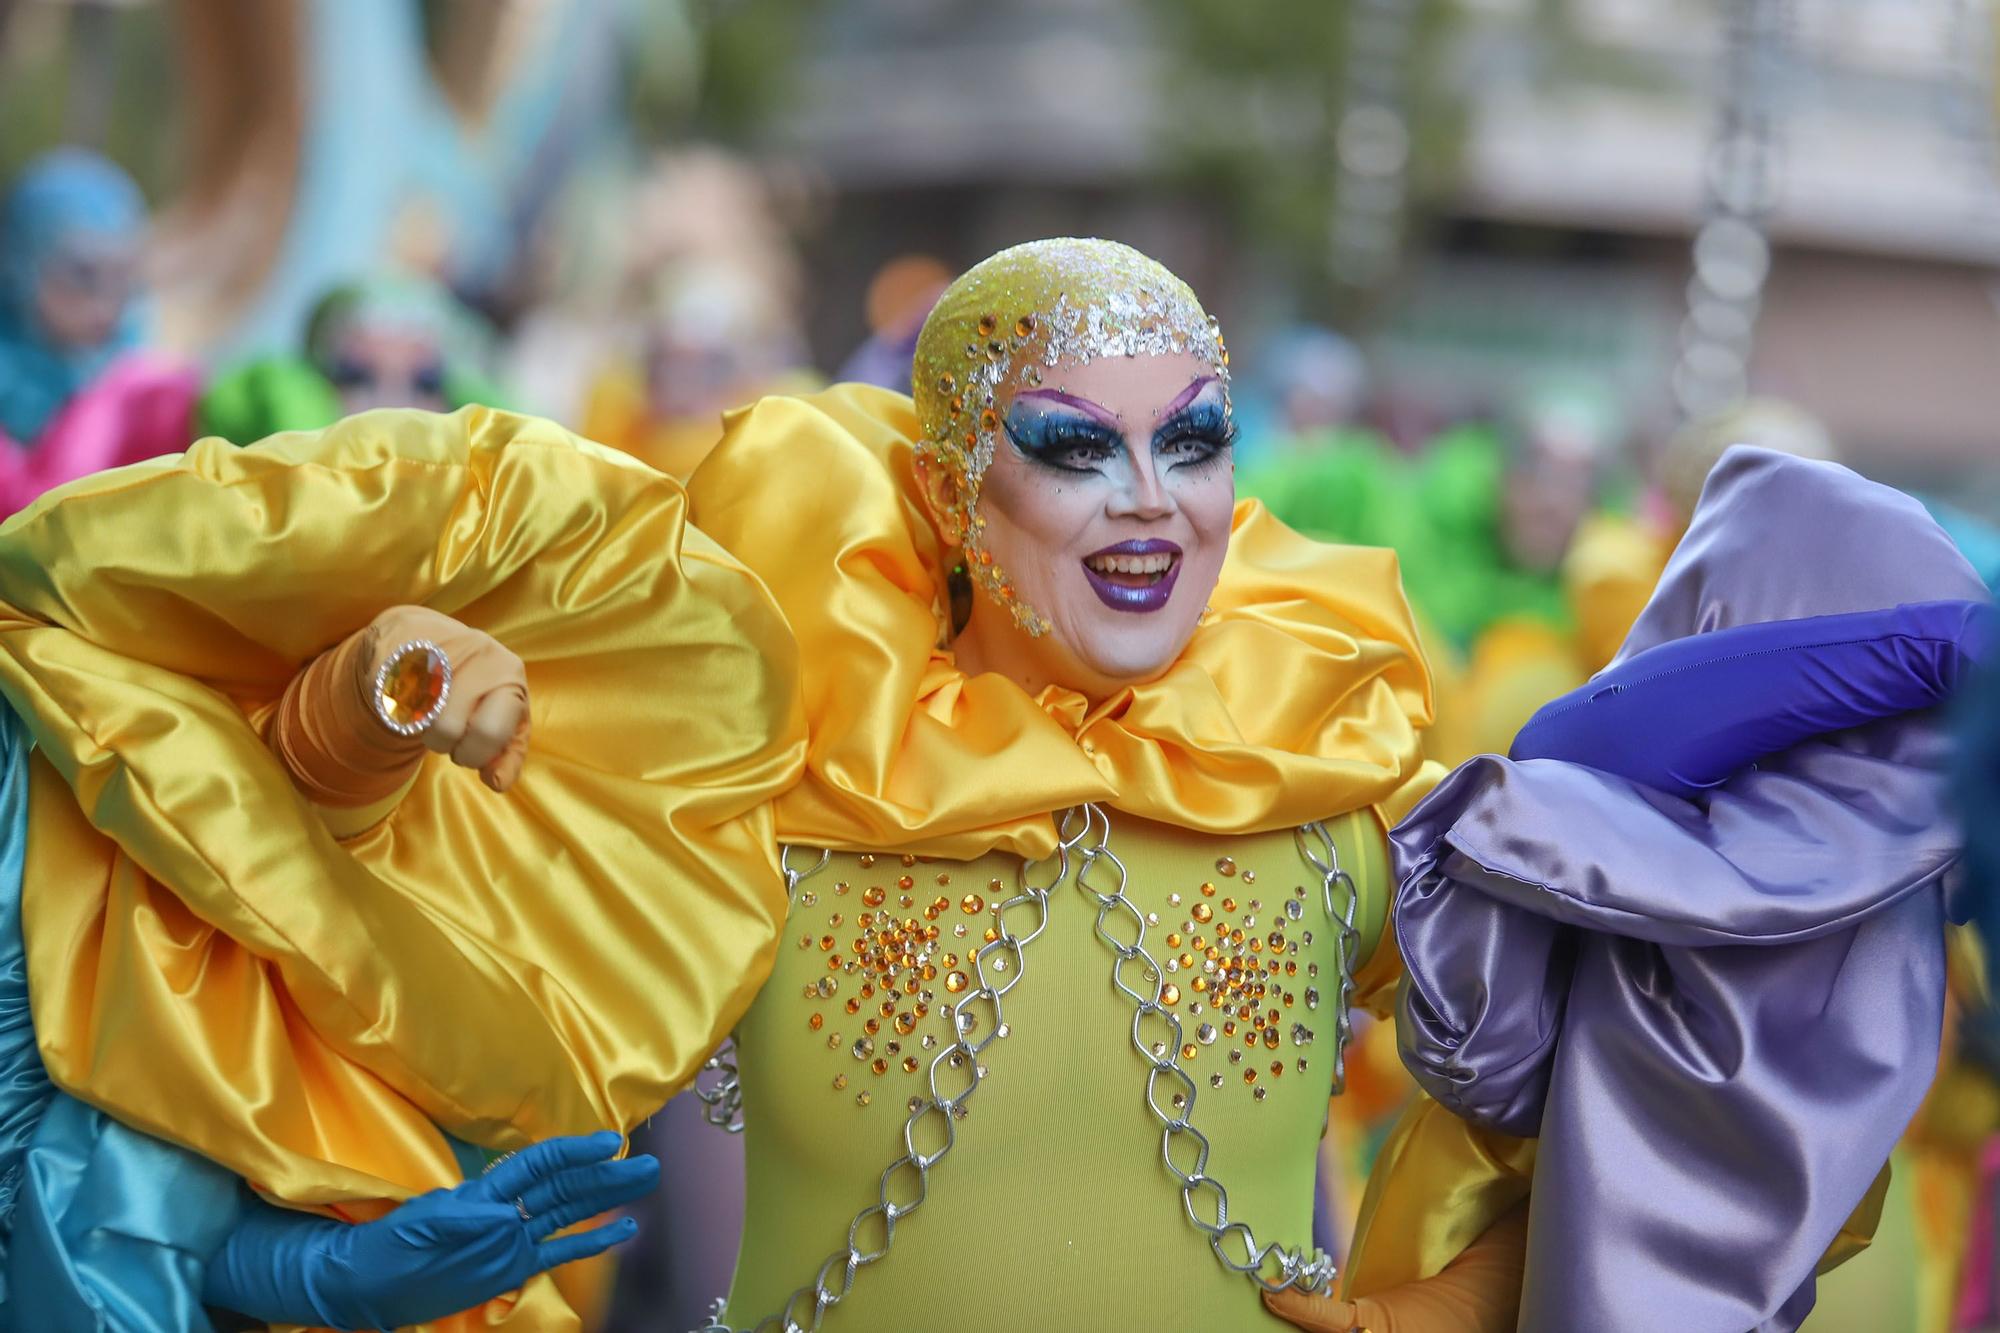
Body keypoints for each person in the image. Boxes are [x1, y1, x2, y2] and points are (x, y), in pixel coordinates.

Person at [0, 238, 1972, 1331]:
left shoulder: (1322, 806)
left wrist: (1461, 1309)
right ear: (948, 495)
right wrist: (377, 702)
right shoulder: (755, 807)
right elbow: (321, 892)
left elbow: (1599, 978)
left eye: (1189, 444)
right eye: (1073, 447)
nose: (1148, 505)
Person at [0, 148, 199, 515]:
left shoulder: (139, 378)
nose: (105, 303)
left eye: (123, 278)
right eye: (83, 275)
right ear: (22, 266)